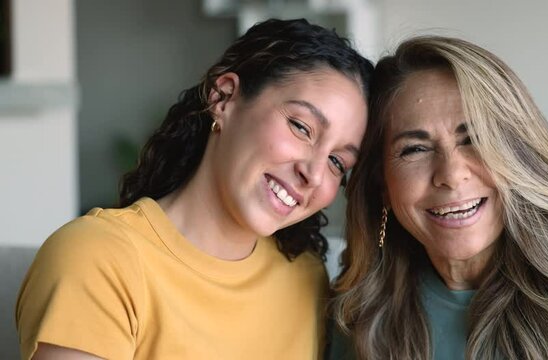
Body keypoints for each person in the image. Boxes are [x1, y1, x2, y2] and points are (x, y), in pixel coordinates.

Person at [16, 18, 373, 360]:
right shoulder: (97, 259)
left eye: (337, 162)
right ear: (224, 98)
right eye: (301, 126)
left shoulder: (306, 279)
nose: (313, 173)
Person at [329, 36, 548, 360]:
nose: (451, 174)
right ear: (382, 184)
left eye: (475, 138)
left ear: (519, 154)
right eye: (415, 149)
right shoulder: (358, 313)